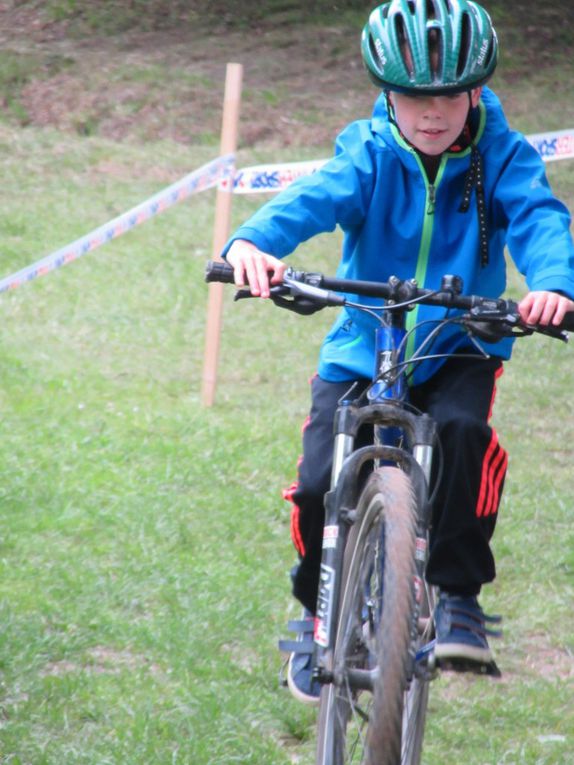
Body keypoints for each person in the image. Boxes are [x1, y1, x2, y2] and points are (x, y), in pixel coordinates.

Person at [221, 0, 574, 704]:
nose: (433, 111)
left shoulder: (501, 154)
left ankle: (458, 597)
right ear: (387, 91)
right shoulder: (369, 149)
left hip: (459, 341)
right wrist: (253, 244)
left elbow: (538, 216)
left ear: (477, 89)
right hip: (363, 341)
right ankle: (319, 608)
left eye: (449, 93)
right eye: (415, 95)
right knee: (320, 475)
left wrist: (554, 283)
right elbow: (316, 197)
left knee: (465, 433)